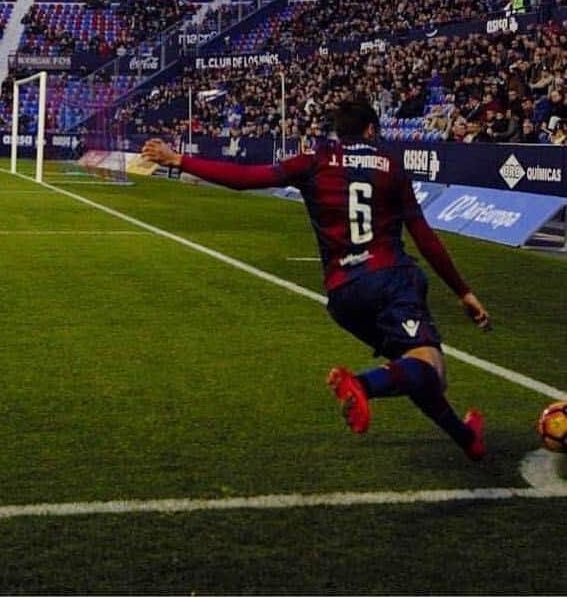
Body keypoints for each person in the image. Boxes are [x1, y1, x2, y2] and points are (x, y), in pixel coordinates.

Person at [141, 99, 490, 461]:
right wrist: (463, 291)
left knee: (416, 369)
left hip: (343, 296)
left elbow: (246, 180)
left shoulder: (315, 160)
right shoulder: (390, 166)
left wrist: (179, 159)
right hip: (389, 280)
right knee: (428, 367)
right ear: (372, 130)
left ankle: (468, 440)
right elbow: (424, 235)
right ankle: (362, 385)